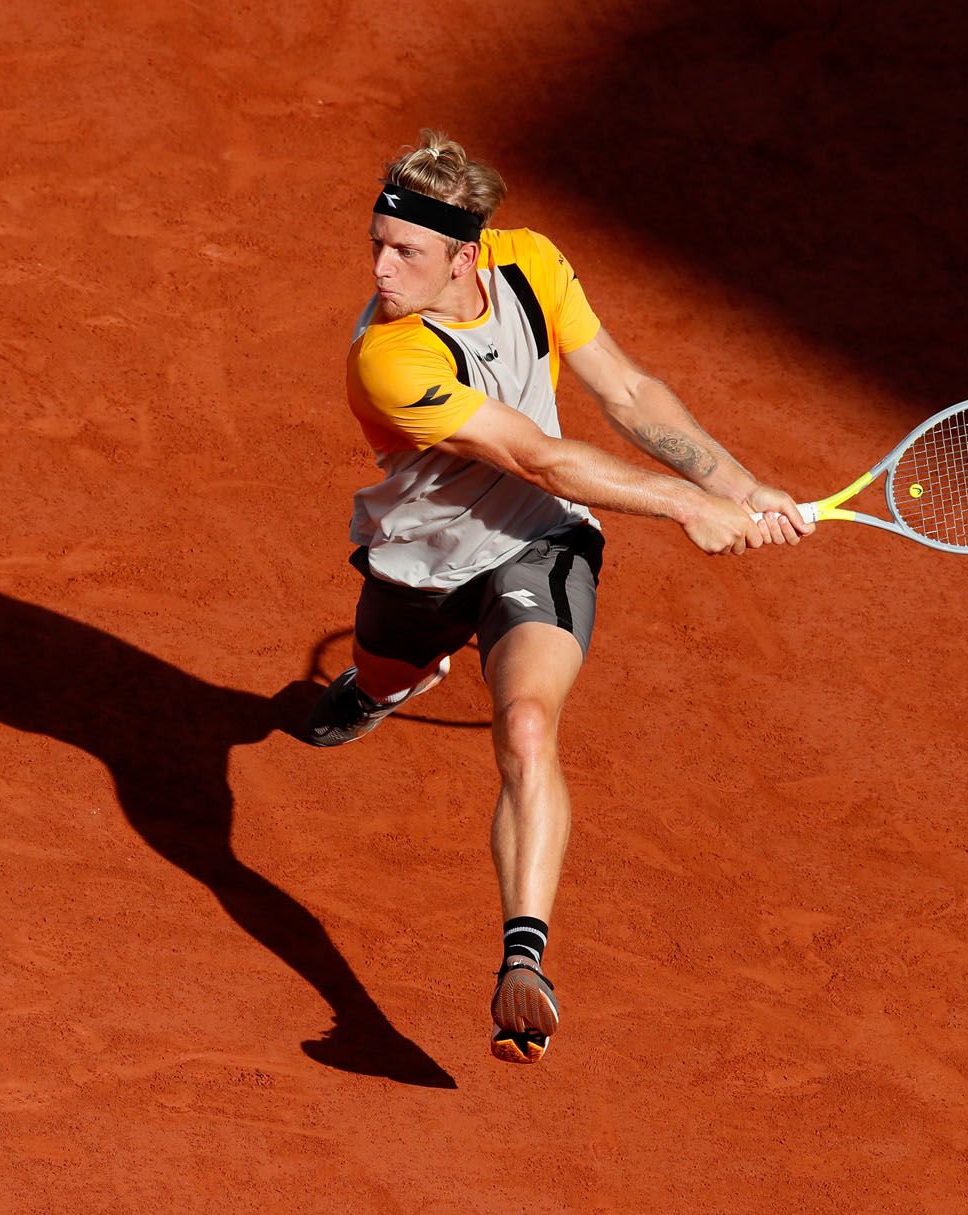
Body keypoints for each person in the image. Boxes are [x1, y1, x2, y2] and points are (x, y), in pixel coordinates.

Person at [302, 131, 813, 1065]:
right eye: (376, 241)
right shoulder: (389, 355)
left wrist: (738, 486)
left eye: (404, 249)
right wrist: (685, 505)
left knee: (528, 726)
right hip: (422, 562)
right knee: (379, 672)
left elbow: (624, 389)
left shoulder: (531, 264)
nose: (379, 266)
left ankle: (523, 962)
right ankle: (385, 685)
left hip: (542, 540)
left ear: (468, 252)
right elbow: (536, 450)